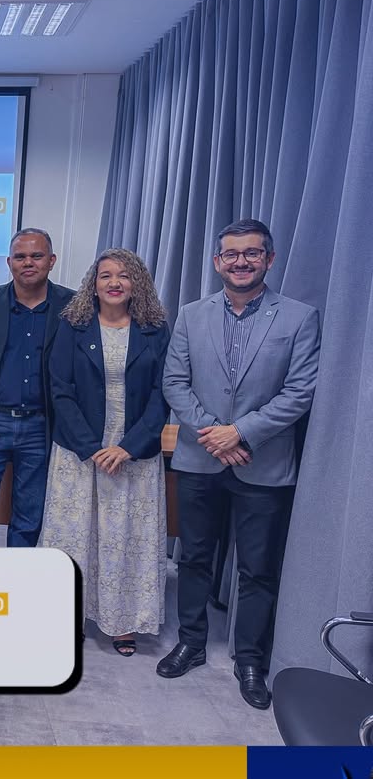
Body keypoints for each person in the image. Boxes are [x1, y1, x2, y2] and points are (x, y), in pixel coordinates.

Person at [157, 218, 320, 711]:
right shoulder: (191, 315)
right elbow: (174, 382)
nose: (241, 261)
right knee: (193, 558)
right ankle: (191, 642)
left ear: (269, 259)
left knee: (257, 568)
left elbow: (300, 391)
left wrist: (240, 432)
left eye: (252, 253)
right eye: (231, 253)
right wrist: (215, 434)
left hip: (264, 462)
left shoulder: (299, 317)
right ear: (217, 261)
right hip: (199, 458)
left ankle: (250, 659)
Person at [39, 248, 170, 656]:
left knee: (125, 537)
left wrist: (128, 447)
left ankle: (122, 622)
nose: (115, 282)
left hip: (134, 453)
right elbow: (60, 389)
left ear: (137, 283)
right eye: (106, 275)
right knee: (74, 537)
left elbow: (163, 393)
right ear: (93, 285)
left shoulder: (155, 329)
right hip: (80, 452)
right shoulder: (72, 325)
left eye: (124, 275)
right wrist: (92, 448)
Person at [0, 228, 75, 547]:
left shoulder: (73, 306)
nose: (28, 263)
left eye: (36, 256)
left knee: (29, 518)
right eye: (20, 257)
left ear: (52, 260)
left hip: (42, 427)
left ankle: (18, 577)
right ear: (9, 262)